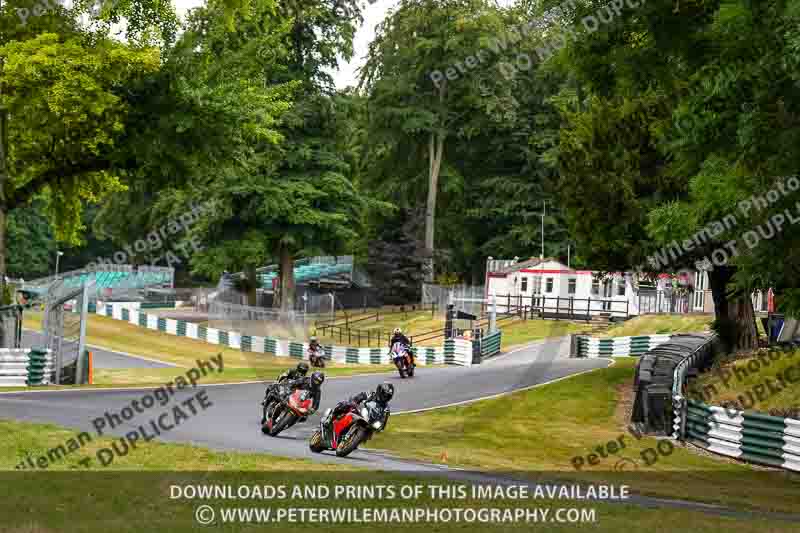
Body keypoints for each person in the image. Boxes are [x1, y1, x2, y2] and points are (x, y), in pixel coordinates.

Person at [323, 382, 394, 434]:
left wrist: (380, 427)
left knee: (369, 433)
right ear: (380, 391)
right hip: (358, 410)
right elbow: (360, 396)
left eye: (388, 396)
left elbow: (383, 423)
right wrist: (355, 401)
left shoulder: (386, 408)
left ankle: (353, 442)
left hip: (368, 421)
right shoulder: (371, 394)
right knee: (345, 404)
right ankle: (330, 418)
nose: (385, 397)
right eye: (385, 394)